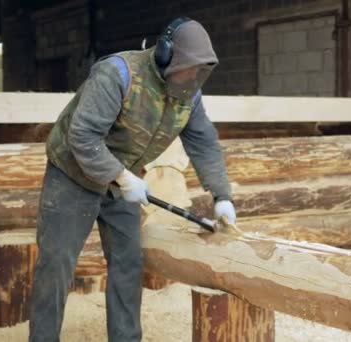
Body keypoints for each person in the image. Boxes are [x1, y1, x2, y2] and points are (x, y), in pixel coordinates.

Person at [28, 17, 235, 342]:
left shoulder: (188, 95)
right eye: (188, 69)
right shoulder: (118, 75)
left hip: (119, 181)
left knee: (127, 264)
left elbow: (204, 142)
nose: (194, 78)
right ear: (166, 56)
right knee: (56, 265)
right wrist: (121, 177)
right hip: (72, 174)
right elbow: (82, 136)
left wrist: (222, 196)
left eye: (199, 71)